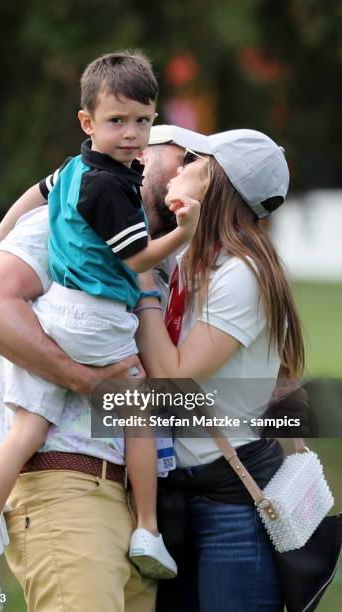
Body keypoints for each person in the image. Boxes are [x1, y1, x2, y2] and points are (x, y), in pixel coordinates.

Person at [0, 53, 202, 598]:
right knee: (133, 402)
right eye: (179, 159)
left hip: (105, 488)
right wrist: (84, 379)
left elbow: (32, 194)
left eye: (144, 122)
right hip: (70, 488)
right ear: (89, 123)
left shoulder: (76, 174)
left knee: (31, 427)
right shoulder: (109, 201)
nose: (135, 136)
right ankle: (149, 532)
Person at [131, 128, 305, 611]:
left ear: (215, 182)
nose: (177, 167)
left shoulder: (241, 274)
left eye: (191, 162)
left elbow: (173, 376)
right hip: (185, 497)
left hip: (234, 504)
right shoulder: (195, 258)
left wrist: (142, 277)